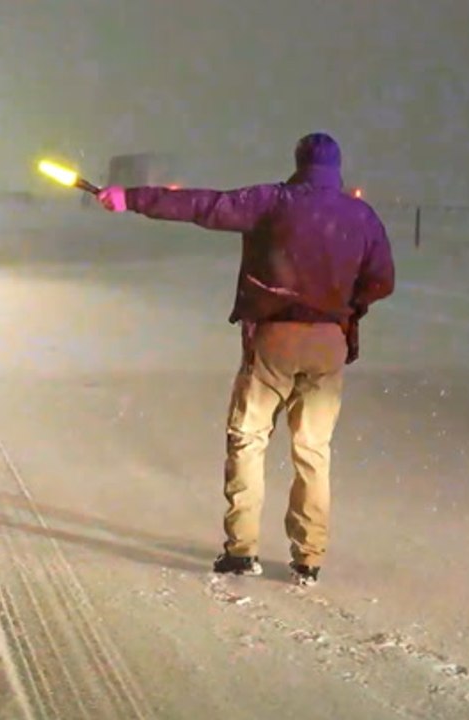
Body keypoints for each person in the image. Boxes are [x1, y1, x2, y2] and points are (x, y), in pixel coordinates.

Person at [96, 132, 395, 586]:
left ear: (298, 162)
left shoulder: (272, 201)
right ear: (337, 169)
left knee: (248, 439)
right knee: (313, 451)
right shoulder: (361, 215)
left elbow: (203, 206)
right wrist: (347, 307)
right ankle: (309, 557)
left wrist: (129, 198)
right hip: (329, 341)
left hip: (275, 336)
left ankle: (241, 550)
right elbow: (382, 279)